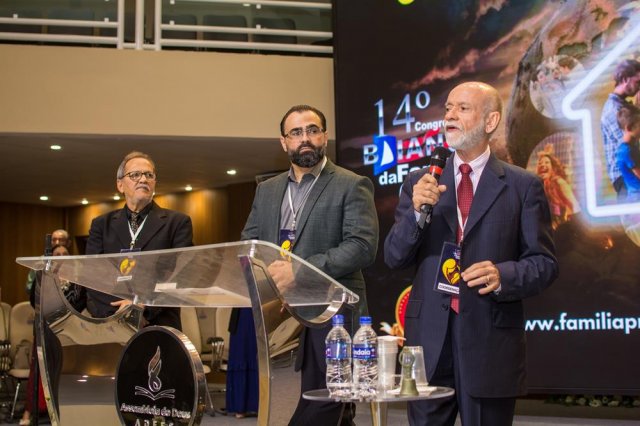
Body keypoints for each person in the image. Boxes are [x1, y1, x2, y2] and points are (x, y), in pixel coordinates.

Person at [384, 82, 558, 426]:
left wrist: (502, 275)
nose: (450, 115)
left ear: (490, 121)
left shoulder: (523, 186)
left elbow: (544, 263)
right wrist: (417, 212)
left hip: (489, 340)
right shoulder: (420, 183)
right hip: (429, 341)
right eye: (448, 108)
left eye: (462, 108)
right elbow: (394, 256)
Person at [240, 105, 379, 425]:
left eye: (312, 130)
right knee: (335, 410)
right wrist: (270, 278)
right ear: (283, 142)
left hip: (332, 312)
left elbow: (362, 247)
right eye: (296, 132)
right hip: (281, 315)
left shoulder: (351, 184)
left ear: (324, 137)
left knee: (326, 401)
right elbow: (250, 243)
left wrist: (299, 270)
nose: (305, 138)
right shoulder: (267, 190)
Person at [85, 151, 193, 329]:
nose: (143, 179)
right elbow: (92, 276)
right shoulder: (101, 225)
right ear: (120, 185)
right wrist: (121, 313)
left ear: (154, 183)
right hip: (112, 324)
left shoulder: (177, 223)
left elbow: (181, 275)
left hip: (159, 324)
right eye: (135, 175)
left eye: (149, 175)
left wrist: (143, 307)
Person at [21, 243, 86, 426]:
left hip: (68, 331)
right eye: (57, 254)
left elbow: (81, 302)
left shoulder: (77, 280)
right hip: (44, 328)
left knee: (63, 372)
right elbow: (34, 300)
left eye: (65, 254)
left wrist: (65, 315)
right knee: (38, 372)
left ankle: (61, 412)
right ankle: (30, 412)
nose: (61, 256)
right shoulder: (43, 275)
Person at [600, 59, 640, 199]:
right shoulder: (614, 110)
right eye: (638, 82)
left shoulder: (624, 106)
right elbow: (631, 145)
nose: (639, 87)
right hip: (626, 177)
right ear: (624, 79)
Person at [535, 144, 580, 229]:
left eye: (546, 162)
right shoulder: (540, 186)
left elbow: (574, 206)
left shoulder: (559, 182)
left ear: (553, 168)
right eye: (540, 163)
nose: (542, 165)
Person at [24, 229, 72, 294]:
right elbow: (29, 287)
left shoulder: (76, 263)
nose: (57, 242)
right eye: (54, 240)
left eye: (61, 240)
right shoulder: (40, 263)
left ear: (68, 243)